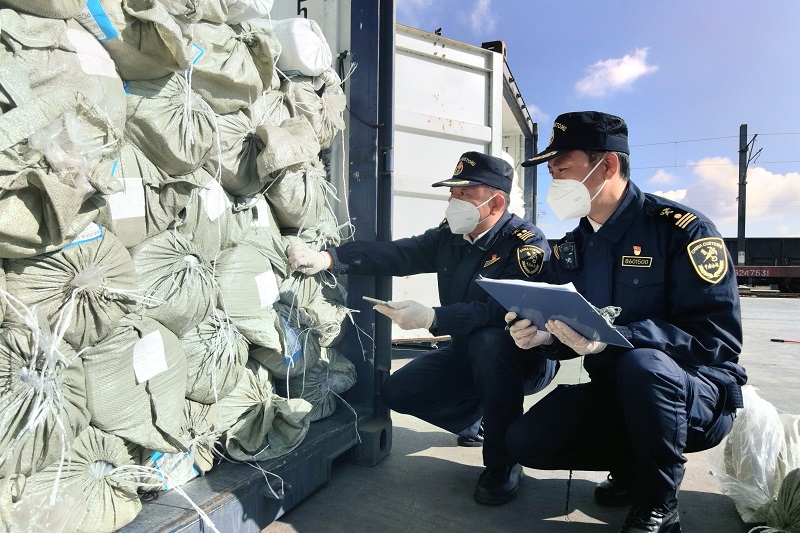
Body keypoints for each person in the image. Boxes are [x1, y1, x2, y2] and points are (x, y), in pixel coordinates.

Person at [503, 111, 747, 532]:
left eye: (562, 167)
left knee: (645, 366)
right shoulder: (573, 247)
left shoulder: (681, 231)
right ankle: (632, 466)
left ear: (608, 164)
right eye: (550, 170)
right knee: (527, 441)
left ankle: (658, 502)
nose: (553, 178)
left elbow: (717, 340)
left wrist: (616, 337)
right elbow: (573, 332)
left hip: (695, 393)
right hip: (618, 390)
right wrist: (542, 337)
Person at [287, 151, 559, 505]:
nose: (453, 201)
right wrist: (330, 258)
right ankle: (478, 420)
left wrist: (434, 318)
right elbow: (400, 253)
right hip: (467, 352)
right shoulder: (451, 235)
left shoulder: (526, 245)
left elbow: (503, 312)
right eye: (452, 193)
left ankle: (504, 462)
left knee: (491, 343)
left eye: (465, 194)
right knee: (399, 391)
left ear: (496, 202)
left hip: (521, 358)